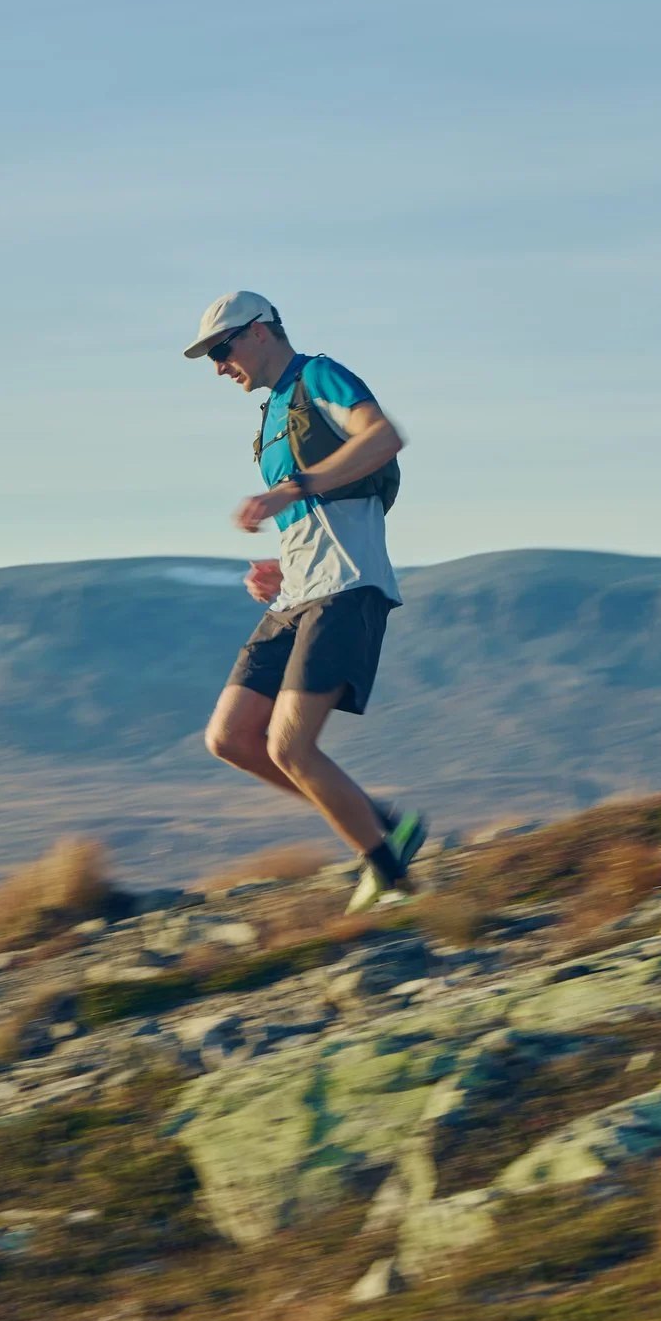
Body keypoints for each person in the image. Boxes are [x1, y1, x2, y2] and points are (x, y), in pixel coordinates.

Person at [185, 291, 427, 913]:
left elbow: (383, 437)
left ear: (259, 331)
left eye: (222, 349)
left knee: (289, 747)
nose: (218, 366)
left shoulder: (319, 375)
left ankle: (392, 883)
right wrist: (281, 566)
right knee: (232, 738)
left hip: (347, 589)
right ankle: (379, 825)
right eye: (211, 357)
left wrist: (294, 488)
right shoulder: (269, 418)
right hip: (297, 595)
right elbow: (316, 516)